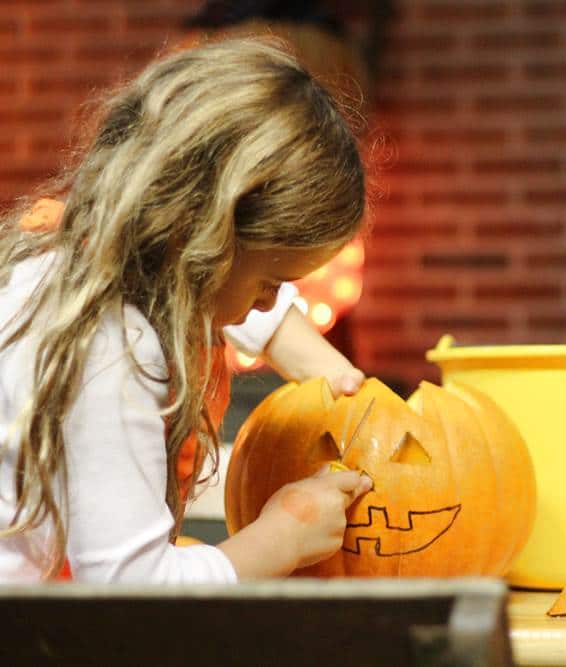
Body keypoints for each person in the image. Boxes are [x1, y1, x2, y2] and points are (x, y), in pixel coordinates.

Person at [0, 38, 372, 583]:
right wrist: (282, 538)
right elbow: (131, 588)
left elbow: (243, 298)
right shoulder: (111, 347)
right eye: (271, 282)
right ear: (204, 239)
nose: (269, 303)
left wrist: (329, 369)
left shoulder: (55, 263)